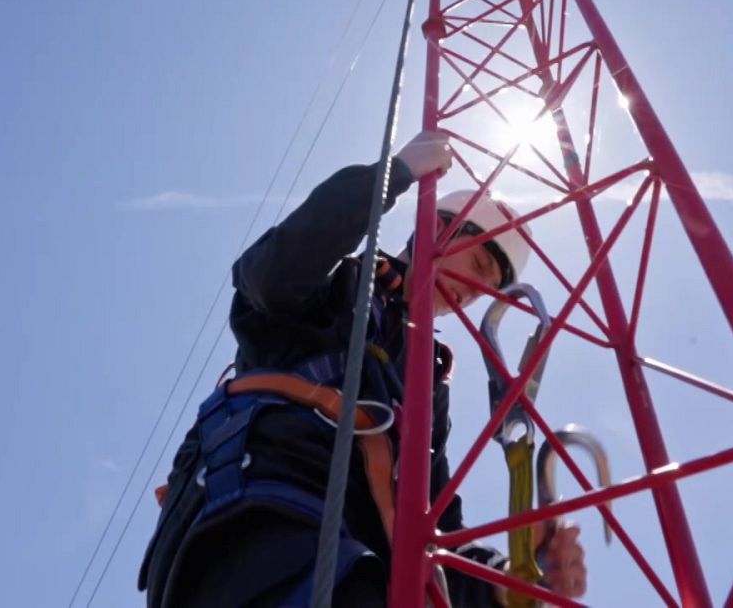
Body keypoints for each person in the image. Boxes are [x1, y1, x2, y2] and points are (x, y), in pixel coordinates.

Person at [139, 129, 587, 606]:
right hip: (250, 528)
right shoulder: (342, 287)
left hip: (347, 564)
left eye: (486, 287)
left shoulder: (429, 378)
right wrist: (388, 178)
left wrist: (511, 577)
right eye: (477, 264)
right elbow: (271, 275)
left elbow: (435, 527)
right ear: (435, 229)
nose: (473, 291)